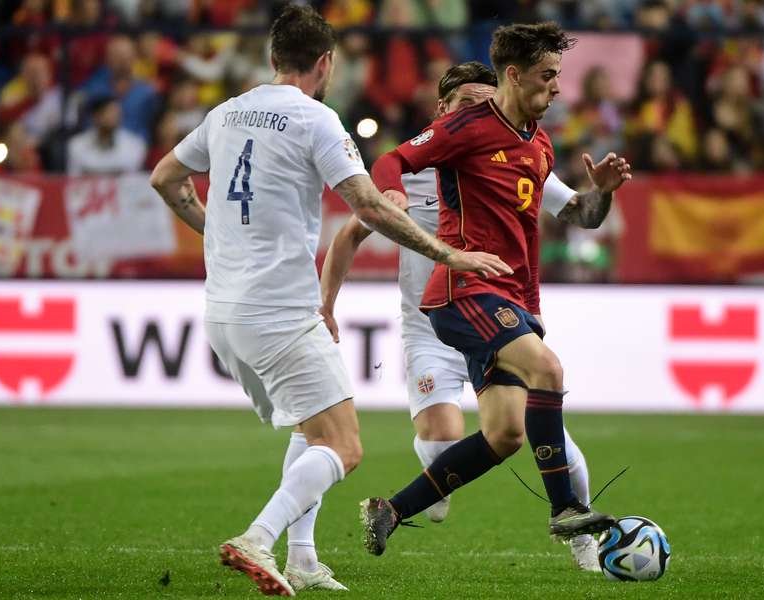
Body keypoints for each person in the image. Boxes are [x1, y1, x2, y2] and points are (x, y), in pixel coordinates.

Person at [149, 4, 510, 596]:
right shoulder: (316, 119)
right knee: (344, 445)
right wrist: (450, 255)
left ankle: (304, 557)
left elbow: (166, 177)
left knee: (311, 427)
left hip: (222, 311)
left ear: (271, 58)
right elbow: (368, 208)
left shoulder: (225, 113)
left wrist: (211, 231)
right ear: (326, 63)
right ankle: (257, 539)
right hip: (281, 310)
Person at [359, 22, 632, 557]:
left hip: (517, 299)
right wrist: (390, 190)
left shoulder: (540, 141)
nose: (557, 88)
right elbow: (393, 160)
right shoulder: (467, 127)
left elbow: (584, 217)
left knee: (505, 434)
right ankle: (566, 510)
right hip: (466, 289)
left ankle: (390, 510)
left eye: (558, 76)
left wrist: (601, 195)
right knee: (548, 370)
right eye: (547, 76)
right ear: (514, 74)